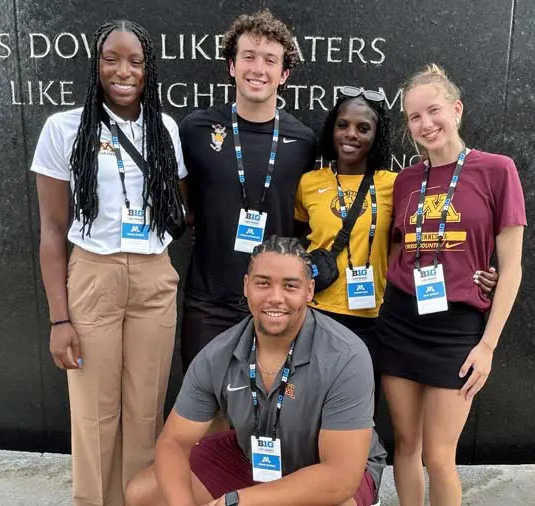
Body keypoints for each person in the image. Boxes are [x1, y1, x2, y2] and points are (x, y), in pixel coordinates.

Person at [31, 20, 187, 506]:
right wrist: (60, 319)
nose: (124, 71)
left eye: (135, 61)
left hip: (153, 274)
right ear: (95, 65)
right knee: (94, 412)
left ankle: (138, 499)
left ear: (149, 69)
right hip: (93, 272)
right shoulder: (64, 128)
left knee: (145, 408)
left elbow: (178, 205)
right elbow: (53, 231)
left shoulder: (164, 128)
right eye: (111, 59)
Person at [125, 236, 387, 506]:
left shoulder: (345, 355)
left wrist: (237, 501)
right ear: (246, 286)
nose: (275, 298)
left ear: (309, 291)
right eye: (263, 283)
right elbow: (173, 443)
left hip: (328, 471)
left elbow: (339, 479)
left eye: (290, 286)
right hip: (252, 457)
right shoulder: (218, 354)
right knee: (144, 494)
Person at [294, 88, 499, 414]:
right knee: (308, 410)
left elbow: (425, 237)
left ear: (378, 136)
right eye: (342, 125)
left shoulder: (398, 183)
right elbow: (296, 241)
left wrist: (480, 272)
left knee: (358, 414)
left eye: (363, 128)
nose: (350, 135)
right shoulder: (307, 183)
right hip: (317, 315)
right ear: (331, 129)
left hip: (377, 321)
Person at [378, 64, 526, 506]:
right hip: (401, 321)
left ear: (456, 110)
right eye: (414, 117)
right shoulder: (406, 180)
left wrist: (488, 347)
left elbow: (512, 268)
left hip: (458, 329)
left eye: (434, 110)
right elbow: (397, 248)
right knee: (405, 446)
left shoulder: (497, 171)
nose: (425, 124)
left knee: (439, 457)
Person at [178, 10, 317, 373]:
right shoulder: (196, 129)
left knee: (267, 412)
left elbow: (304, 218)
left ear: (283, 73)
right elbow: (184, 201)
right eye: (249, 57)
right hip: (208, 300)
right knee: (206, 412)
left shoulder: (302, 140)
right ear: (231, 65)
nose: (258, 68)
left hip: (274, 304)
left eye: (270, 60)